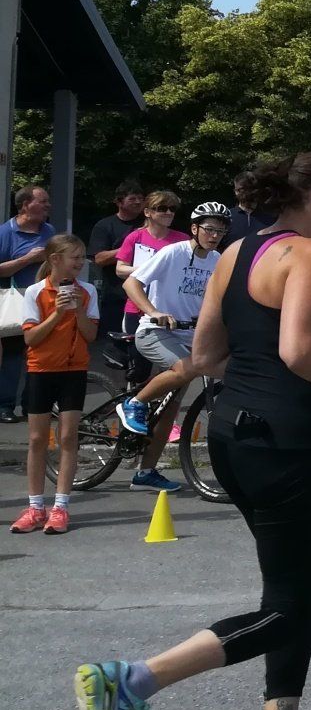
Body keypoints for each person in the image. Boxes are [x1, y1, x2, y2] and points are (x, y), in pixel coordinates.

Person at [74, 150, 311, 710]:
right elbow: (299, 351)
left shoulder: (235, 252)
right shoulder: (309, 254)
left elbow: (204, 354)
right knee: (298, 602)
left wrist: (260, 380)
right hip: (285, 442)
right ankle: (130, 682)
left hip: (231, 435)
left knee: (292, 590)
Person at [114, 202, 230, 488]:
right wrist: (154, 312)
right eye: (209, 229)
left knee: (169, 412)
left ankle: (145, 473)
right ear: (194, 228)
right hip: (155, 331)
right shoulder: (173, 252)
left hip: (192, 338)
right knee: (188, 368)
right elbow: (131, 284)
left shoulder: (217, 260)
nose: (214, 235)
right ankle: (134, 403)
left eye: (220, 230)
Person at [9, 234, 99, 534]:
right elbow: (31, 338)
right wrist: (58, 313)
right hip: (42, 370)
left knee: (69, 437)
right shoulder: (35, 292)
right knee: (37, 439)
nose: (80, 263)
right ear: (55, 260)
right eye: (75, 257)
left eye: (82, 257)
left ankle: (60, 506)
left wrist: (78, 311)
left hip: (74, 370)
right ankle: (35, 507)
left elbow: (91, 335)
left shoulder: (87, 291)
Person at [0, 185, 56, 424]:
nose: (48, 206)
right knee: (13, 356)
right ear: (25, 205)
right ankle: (5, 406)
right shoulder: (5, 232)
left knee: (40, 355)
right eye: (43, 201)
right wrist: (28, 259)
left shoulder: (49, 230)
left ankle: (32, 404)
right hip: (16, 301)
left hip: (44, 299)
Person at [87, 180, 145, 369]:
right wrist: (129, 246)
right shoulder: (105, 226)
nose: (138, 202)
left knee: (142, 350)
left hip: (146, 296)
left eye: (141, 198)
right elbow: (99, 258)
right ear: (119, 202)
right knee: (117, 352)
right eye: (132, 198)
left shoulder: (148, 224)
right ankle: (117, 385)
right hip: (116, 296)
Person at [114, 191, 188, 328]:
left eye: (172, 209)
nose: (169, 212)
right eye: (162, 208)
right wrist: (149, 270)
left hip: (170, 309)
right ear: (147, 212)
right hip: (136, 307)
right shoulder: (135, 236)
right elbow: (120, 269)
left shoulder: (183, 240)